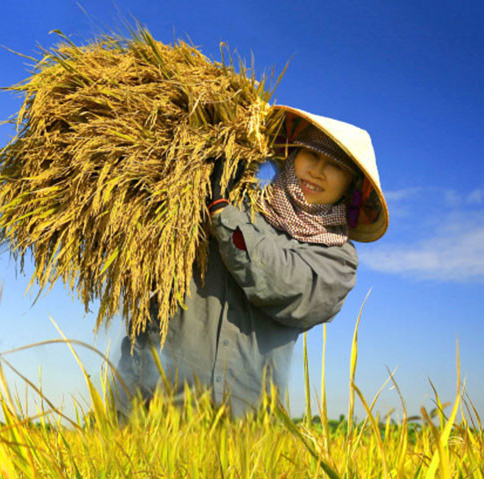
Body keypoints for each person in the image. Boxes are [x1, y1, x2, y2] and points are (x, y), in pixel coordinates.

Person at [111, 106, 389, 417]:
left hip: (243, 425)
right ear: (291, 156)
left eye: (334, 166)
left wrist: (223, 217)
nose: (317, 171)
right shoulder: (228, 200)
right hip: (153, 406)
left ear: (351, 186)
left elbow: (284, 285)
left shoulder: (336, 258)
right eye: (311, 155)